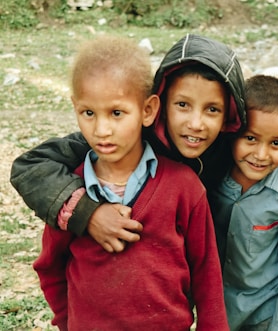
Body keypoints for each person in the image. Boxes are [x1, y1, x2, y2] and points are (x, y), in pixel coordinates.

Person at [32, 35, 228, 330]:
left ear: (148, 110)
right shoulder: (68, 192)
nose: (101, 129)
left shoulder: (184, 187)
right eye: (88, 113)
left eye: (116, 113)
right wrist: (68, 321)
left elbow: (206, 275)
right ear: (75, 108)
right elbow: (50, 267)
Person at [10, 34, 246, 253]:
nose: (195, 124)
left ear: (230, 117)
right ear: (158, 106)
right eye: (182, 105)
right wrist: (88, 213)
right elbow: (30, 167)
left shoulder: (237, 147)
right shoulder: (127, 138)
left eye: (212, 109)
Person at [209, 74, 278, 331]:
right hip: (215, 311)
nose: (260, 155)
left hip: (266, 314)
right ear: (232, 131)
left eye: (276, 143)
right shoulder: (211, 173)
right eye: (250, 138)